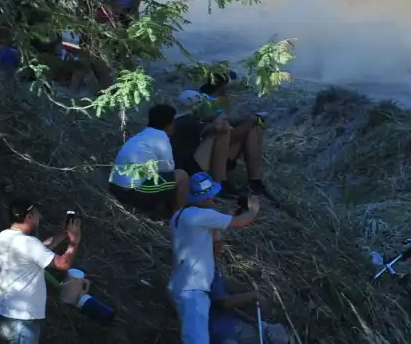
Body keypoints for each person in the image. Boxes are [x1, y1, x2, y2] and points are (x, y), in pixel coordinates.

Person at [169, 172, 260, 344]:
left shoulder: (179, 216)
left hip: (180, 285)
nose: (213, 201)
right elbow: (241, 222)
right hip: (193, 289)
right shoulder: (201, 215)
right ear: (204, 198)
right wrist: (254, 210)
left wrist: (220, 225)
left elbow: (212, 252)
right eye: (211, 197)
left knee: (193, 335)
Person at [0, 198, 81, 344]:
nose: (39, 217)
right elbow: (62, 264)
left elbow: (40, 250)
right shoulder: (28, 243)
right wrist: (74, 242)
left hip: (4, 315)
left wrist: (64, 234)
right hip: (22, 320)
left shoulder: (3, 237)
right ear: (29, 217)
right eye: (36, 214)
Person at [171, 76, 272, 199]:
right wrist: (248, 120)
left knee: (253, 128)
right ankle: (220, 184)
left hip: (199, 164)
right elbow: (222, 130)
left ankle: (254, 182)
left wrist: (247, 121)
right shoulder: (186, 122)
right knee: (220, 133)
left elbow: (229, 124)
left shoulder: (190, 120)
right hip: (192, 171)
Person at [109, 104, 191, 218]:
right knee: (182, 176)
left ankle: (160, 210)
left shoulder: (142, 135)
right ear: (168, 125)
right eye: (173, 123)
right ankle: (179, 217)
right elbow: (168, 170)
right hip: (131, 192)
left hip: (115, 186)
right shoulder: (161, 138)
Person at [208, 234, 289, 344]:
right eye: (218, 243)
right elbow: (222, 303)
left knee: (277, 334)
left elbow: (228, 306)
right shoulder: (205, 270)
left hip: (234, 325)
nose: (221, 246)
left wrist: (253, 321)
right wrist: (251, 296)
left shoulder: (215, 268)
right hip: (220, 332)